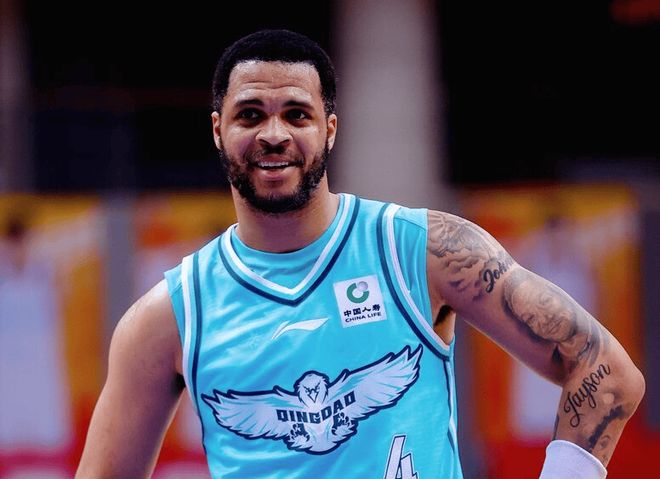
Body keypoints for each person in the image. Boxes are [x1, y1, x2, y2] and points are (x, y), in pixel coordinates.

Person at [75, 30, 645, 478]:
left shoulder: (422, 250)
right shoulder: (168, 316)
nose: (274, 134)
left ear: (330, 128)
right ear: (218, 130)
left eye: (296, 114)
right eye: (250, 114)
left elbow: (607, 372)